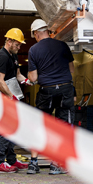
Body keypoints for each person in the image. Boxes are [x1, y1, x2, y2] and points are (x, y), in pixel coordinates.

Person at [26, 19, 75, 175]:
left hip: (46, 91)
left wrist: (31, 75)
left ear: (36, 33)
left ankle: (33, 163)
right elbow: (72, 69)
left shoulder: (33, 50)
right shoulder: (62, 45)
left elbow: (33, 78)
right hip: (65, 89)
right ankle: (56, 163)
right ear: (46, 30)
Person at [0, 27, 31, 173]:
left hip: (9, 97)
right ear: (9, 41)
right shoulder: (1, 56)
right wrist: (10, 97)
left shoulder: (13, 56)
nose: (19, 47)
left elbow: (18, 74)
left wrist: (26, 81)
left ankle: (11, 160)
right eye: (17, 44)